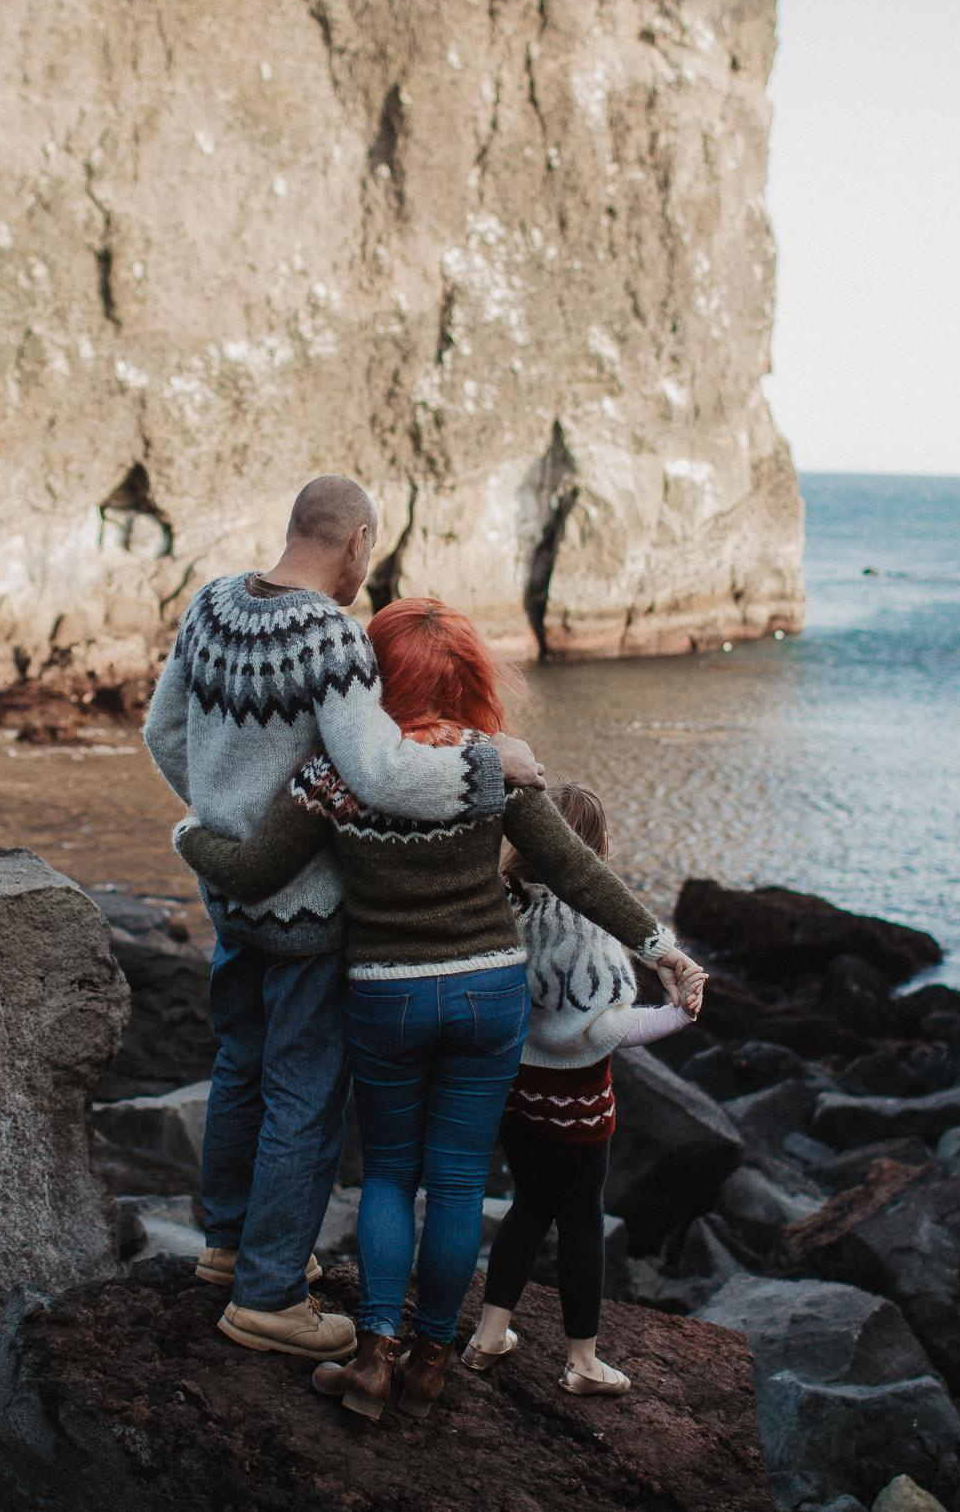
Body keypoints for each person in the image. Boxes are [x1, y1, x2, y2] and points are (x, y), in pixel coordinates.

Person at [174, 598, 705, 1421]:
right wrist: (661, 948)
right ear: (473, 677)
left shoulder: (339, 769)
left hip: (384, 992)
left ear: (377, 673)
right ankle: (431, 1356)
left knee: (389, 1174)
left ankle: (375, 1355)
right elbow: (574, 869)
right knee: (458, 1182)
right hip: (489, 992)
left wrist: (190, 837)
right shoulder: (494, 767)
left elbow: (255, 870)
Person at [142, 476, 548, 1362]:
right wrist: (492, 764)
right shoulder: (333, 639)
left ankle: (227, 1246)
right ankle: (270, 1295)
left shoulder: (211, 604)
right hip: (308, 913)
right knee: (306, 1095)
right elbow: (383, 775)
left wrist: (225, 820)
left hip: (232, 894)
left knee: (238, 1066)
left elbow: (162, 732)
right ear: (358, 541)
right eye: (372, 552)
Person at [463, 781, 699, 1396]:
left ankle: (489, 1335)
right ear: (592, 847)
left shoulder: (503, 902)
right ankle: (583, 1362)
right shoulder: (587, 924)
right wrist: (682, 1013)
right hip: (578, 1103)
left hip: (516, 1092)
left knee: (528, 1205)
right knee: (582, 1222)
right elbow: (613, 1028)